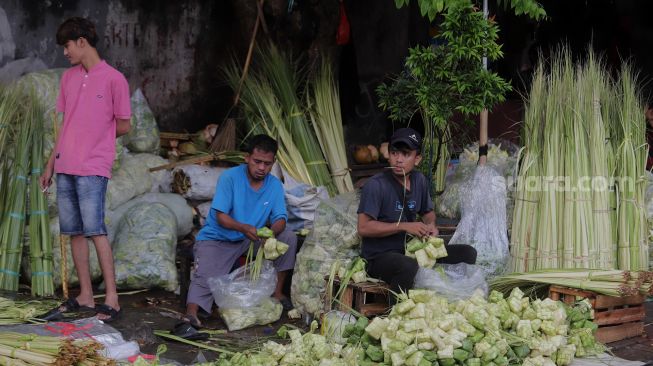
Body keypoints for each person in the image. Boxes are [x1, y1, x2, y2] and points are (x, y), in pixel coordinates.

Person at [39, 17, 131, 322]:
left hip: (93, 166)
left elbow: (124, 124)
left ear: (81, 41)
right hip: (66, 165)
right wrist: (50, 165)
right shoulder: (68, 78)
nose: (64, 52)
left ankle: (113, 299)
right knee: (74, 233)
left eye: (66, 45)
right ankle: (86, 296)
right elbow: (65, 126)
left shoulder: (114, 79)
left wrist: (97, 138)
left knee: (95, 231)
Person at [181, 134, 297, 330]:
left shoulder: (275, 185)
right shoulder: (230, 177)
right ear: (246, 158)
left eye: (267, 164)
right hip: (219, 238)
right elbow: (221, 217)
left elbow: (281, 219)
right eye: (257, 161)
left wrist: (270, 232)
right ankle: (191, 314)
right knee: (206, 276)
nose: (261, 168)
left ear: (273, 163)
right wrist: (243, 228)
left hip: (252, 238)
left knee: (288, 237)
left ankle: (277, 293)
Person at [357, 127, 476, 302]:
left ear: (417, 159)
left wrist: (430, 226)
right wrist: (404, 226)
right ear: (388, 155)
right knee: (408, 266)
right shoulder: (376, 185)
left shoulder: (420, 180)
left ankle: (454, 298)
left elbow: (427, 213)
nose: (398, 159)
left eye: (406, 154)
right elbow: (363, 227)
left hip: (412, 250)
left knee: (467, 253)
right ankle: (395, 313)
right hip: (379, 257)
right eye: (394, 153)